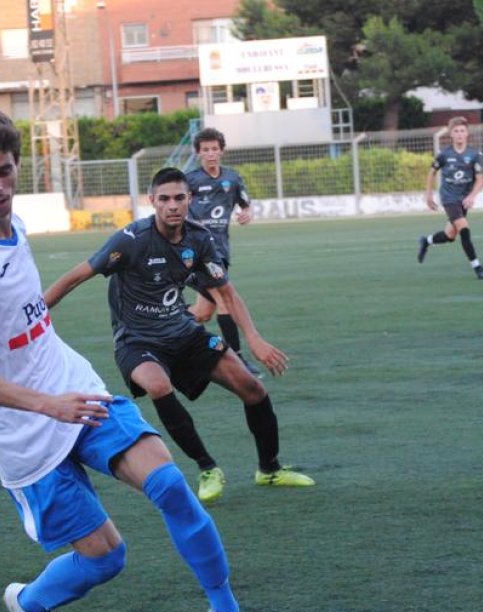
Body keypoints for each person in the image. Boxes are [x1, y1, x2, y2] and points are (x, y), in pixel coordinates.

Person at [0, 109, 258, 612]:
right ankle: (30, 604)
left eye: (4, 172)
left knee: (170, 485)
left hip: (70, 386)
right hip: (24, 433)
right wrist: (43, 403)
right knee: (106, 558)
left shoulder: (8, 224)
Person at [43, 167, 315, 506]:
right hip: (137, 340)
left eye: (179, 198)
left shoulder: (199, 239)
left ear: (190, 199)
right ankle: (207, 468)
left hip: (184, 332)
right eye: (164, 199)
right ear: (152, 201)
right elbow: (74, 277)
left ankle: (269, 469)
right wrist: (34, 315)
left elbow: (226, 293)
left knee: (253, 389)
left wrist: (254, 339)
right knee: (158, 385)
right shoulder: (131, 240)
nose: (172, 205)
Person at [184, 127, 263, 377]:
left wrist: (247, 213)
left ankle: (163, 322)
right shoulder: (190, 181)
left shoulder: (232, 178)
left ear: (222, 151)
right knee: (225, 300)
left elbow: (245, 204)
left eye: (214, 149)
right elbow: (174, 206)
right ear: (198, 153)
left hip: (220, 251)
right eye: (205, 150)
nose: (210, 153)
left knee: (202, 313)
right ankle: (237, 359)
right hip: (196, 252)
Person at [416, 116, 483, 280]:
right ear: (451, 134)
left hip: (464, 199)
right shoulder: (444, 154)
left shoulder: (475, 155)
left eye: (462, 131)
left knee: (450, 235)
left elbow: (480, 180)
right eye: (456, 131)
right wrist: (428, 195)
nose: (459, 134)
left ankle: (426, 241)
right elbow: (431, 172)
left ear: (467, 133)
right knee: (464, 229)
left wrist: (472, 195)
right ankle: (478, 268)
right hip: (449, 197)